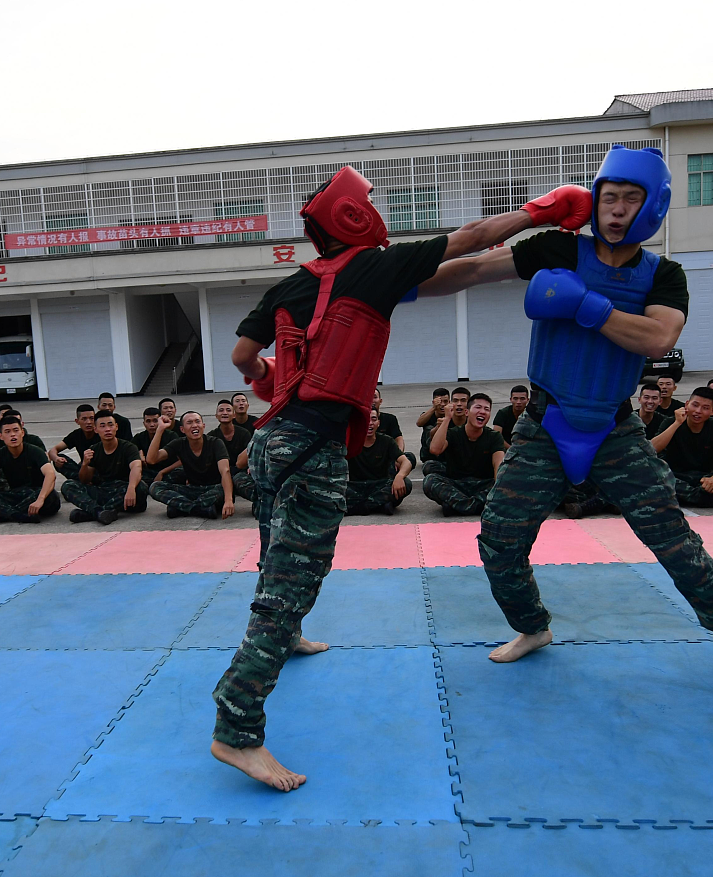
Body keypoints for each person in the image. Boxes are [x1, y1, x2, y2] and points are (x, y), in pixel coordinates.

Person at [211, 164, 592, 791]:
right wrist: (543, 209)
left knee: (272, 551)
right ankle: (236, 728)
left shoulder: (292, 283)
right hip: (313, 447)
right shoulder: (374, 265)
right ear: (353, 217)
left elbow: (241, 358)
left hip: (272, 442)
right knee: (291, 581)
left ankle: (293, 635)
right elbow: (470, 239)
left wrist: (267, 379)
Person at [417, 144, 713, 696]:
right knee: (500, 540)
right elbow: (472, 270)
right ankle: (532, 627)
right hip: (541, 424)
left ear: (651, 207)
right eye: (609, 197)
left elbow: (658, 337)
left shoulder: (663, 274)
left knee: (671, 538)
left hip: (614, 428)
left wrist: (584, 304)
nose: (616, 209)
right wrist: (394, 286)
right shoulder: (558, 247)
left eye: (631, 198)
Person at [651, 387, 713, 509]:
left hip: (704, 478)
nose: (698, 411)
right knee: (652, 475)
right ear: (687, 404)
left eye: (705, 408)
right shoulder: (671, 422)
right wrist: (677, 424)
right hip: (676, 476)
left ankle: (684, 497)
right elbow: (652, 449)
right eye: (695, 405)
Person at [423, 393, 505, 516]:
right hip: (457, 485)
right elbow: (435, 450)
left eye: (486, 409)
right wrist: (447, 419)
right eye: (478, 407)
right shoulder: (453, 433)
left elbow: (498, 465)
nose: (482, 412)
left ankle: (456, 506)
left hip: (482, 485)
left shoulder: (494, 436)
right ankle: (480, 506)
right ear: (467, 412)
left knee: (507, 482)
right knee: (430, 481)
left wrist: (499, 489)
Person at [0, 414, 60, 524]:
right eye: (7, 432)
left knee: (51, 496)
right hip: (14, 494)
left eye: (16, 430)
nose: (13, 434)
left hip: (35, 493)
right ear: (1, 436)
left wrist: (40, 499)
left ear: (22, 432)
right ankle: (18, 515)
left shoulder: (35, 451)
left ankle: (1, 513)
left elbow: (50, 475)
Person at [145, 412, 235, 519]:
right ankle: (199, 509)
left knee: (225, 489)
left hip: (213, 489)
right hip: (191, 490)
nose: (194, 425)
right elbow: (151, 459)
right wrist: (160, 429)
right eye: (189, 423)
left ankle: (180, 507)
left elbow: (225, 471)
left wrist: (229, 501)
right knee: (155, 487)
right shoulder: (179, 443)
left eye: (197, 422)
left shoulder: (216, 443)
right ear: (182, 429)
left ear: (203, 426)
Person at [61, 410, 146, 524]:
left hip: (125, 492)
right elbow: (85, 480)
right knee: (68, 485)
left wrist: (131, 489)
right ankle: (99, 512)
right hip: (104, 490)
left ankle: (90, 513)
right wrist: (85, 464)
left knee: (140, 486)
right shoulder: (94, 449)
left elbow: (136, 467)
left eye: (110, 425)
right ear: (96, 429)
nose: (107, 429)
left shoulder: (128, 447)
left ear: (116, 427)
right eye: (102, 426)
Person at [346, 408, 413, 515]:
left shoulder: (387, 441)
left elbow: (406, 462)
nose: (370, 423)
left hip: (380, 485)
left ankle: (358, 508)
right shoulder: (350, 441)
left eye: (373, 419)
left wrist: (399, 477)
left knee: (406, 483)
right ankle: (380, 505)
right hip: (356, 487)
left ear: (378, 423)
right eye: (366, 420)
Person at [210, 399, 256, 503]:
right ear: (216, 416)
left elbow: (250, 457)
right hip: (221, 474)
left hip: (240, 472)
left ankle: (261, 502)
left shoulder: (244, 434)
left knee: (240, 480)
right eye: (221, 410)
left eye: (228, 410)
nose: (225, 413)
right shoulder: (211, 437)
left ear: (234, 415)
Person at [421, 386, 470, 472]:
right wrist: (439, 427)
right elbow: (432, 444)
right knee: (429, 467)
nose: (459, 404)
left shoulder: (473, 421)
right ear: (450, 403)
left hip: (469, 463)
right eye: (455, 401)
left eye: (463, 400)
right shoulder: (444, 420)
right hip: (448, 463)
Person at [47, 405, 96, 481]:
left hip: (100, 470)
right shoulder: (76, 435)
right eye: (84, 419)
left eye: (91, 418)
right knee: (61, 461)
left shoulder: (101, 433)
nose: (88, 422)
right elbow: (53, 450)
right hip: (84, 469)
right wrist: (57, 459)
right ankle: (83, 480)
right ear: (77, 421)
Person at [372, 387, 416, 470]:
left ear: (380, 401)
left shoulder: (390, 419)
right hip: (370, 457)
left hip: (388, 455)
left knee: (409, 458)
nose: (372, 400)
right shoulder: (359, 421)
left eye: (374, 397)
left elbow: (399, 438)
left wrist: (398, 456)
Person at [134, 407, 180, 484]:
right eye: (148, 421)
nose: (152, 425)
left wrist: (162, 472)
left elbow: (182, 460)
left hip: (168, 470)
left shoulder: (171, 436)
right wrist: (139, 457)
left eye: (155, 421)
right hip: (148, 472)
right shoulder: (139, 437)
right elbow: (130, 454)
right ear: (144, 423)